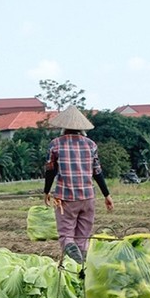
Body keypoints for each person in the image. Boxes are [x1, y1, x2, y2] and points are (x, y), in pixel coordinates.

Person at [43, 105, 114, 265]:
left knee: (66, 235)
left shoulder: (55, 144)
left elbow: (50, 170)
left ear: (64, 127)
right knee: (83, 237)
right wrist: (106, 195)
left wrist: (46, 191)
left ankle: (73, 257)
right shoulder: (91, 145)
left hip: (66, 197)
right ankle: (82, 268)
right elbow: (97, 172)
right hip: (88, 197)